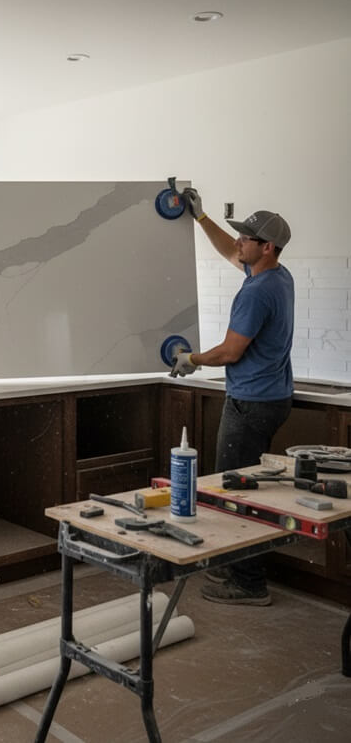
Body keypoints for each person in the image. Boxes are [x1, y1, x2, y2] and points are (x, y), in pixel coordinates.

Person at [171, 189, 294, 606]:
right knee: (248, 487)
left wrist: (192, 359)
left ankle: (249, 583)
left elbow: (230, 351)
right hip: (271, 399)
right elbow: (231, 254)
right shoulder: (276, 276)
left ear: (267, 247)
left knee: (234, 490)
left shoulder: (257, 292)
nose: (238, 242)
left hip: (250, 403)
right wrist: (202, 218)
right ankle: (241, 564)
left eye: (246, 238)